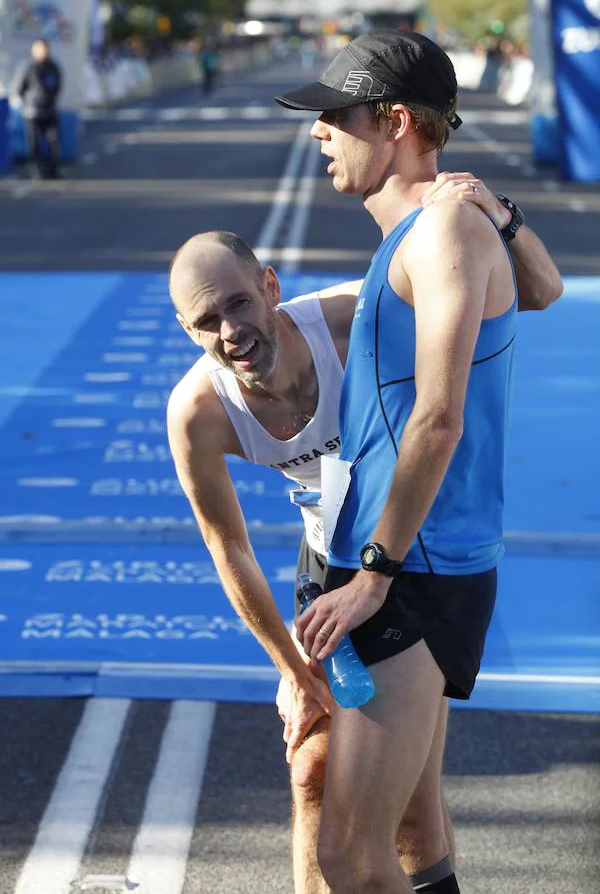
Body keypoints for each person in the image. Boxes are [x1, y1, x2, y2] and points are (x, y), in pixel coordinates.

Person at [166, 183, 562, 891]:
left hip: (410, 553)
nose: (230, 331)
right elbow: (231, 552)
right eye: (206, 321)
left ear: (270, 285)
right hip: (330, 565)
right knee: (314, 773)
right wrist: (291, 669)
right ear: (186, 331)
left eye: (238, 304)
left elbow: (538, 292)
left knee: (408, 817)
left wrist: (504, 217)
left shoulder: (355, 319)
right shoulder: (198, 412)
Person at [274, 31, 558, 892]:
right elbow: (543, 290)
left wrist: (371, 571)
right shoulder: (438, 227)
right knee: (409, 829)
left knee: (349, 860)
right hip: (409, 555)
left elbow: (437, 421)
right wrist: (504, 214)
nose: (319, 131)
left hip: (414, 566)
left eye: (335, 115)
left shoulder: (442, 235)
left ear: (395, 120)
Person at [13, 39, 62, 180]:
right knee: (34, 144)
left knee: (54, 141)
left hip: (50, 110)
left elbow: (58, 85)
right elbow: (19, 88)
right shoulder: (28, 67)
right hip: (33, 112)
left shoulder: (53, 66)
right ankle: (37, 171)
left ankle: (52, 170)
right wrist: (28, 103)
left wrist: (51, 99)